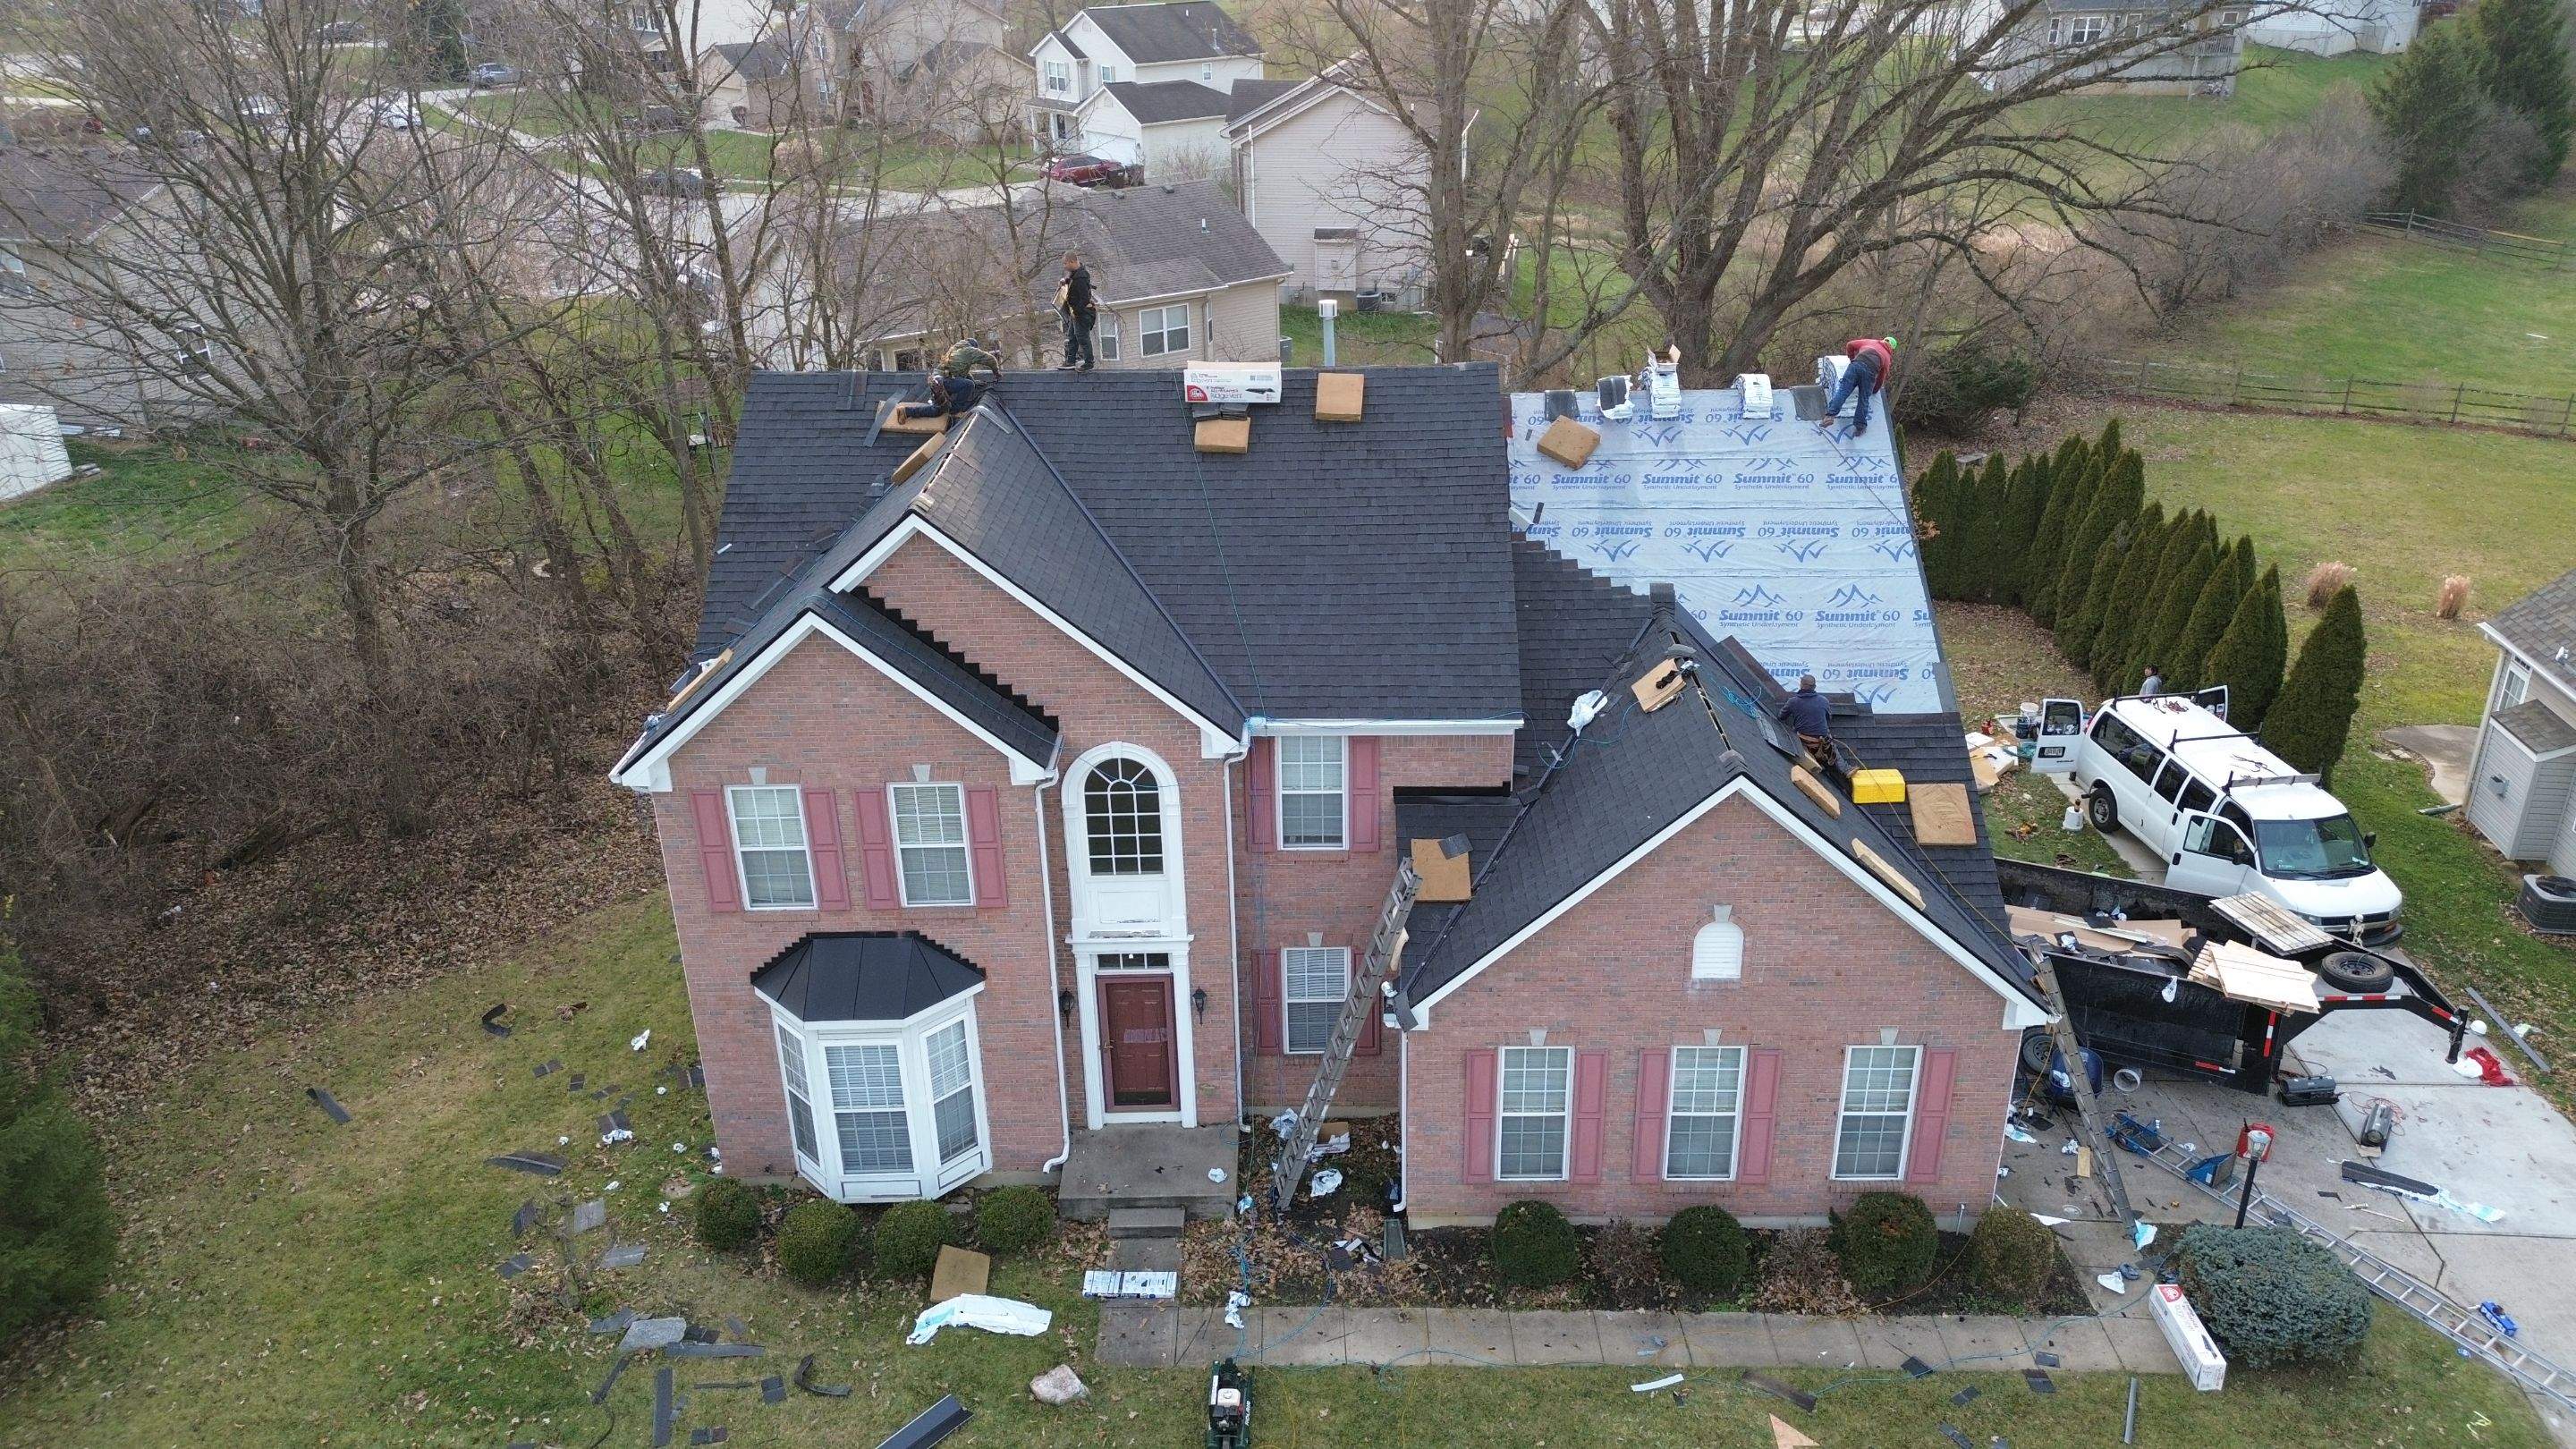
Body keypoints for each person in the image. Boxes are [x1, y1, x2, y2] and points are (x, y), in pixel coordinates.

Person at [1819, 336, 1895, 439]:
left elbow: (1850, 344)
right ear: (1892, 349)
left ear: (1884, 340)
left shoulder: (1871, 342)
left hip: (1856, 365)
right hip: (1870, 372)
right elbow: (1881, 378)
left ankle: (1829, 416)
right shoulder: (1887, 357)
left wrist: (1852, 359)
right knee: (1863, 399)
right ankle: (1860, 427)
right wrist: (1875, 390)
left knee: (1843, 391)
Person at [1777, 674, 1835, 769]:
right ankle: (1844, 769)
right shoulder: (1824, 700)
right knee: (1832, 746)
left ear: (1801, 685)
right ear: (1814, 687)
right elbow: (1828, 718)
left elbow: (1781, 717)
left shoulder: (1793, 701)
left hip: (1803, 740)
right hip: (1822, 741)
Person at [1055, 252, 1097, 372]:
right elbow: (1071, 280)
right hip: (1075, 313)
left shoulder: (1082, 278)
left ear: (1072, 262)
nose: (1064, 266)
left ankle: (1089, 363)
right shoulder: (1076, 273)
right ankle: (1070, 361)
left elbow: (1085, 299)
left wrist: (1076, 312)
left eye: (1065, 263)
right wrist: (1065, 281)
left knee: (1082, 338)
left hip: (1082, 313)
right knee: (1072, 337)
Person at [898, 370, 986, 423]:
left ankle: (907, 411)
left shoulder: (959, 356)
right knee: (938, 410)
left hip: (940, 382)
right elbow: (989, 360)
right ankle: (906, 411)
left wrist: (974, 382)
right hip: (940, 384)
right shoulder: (968, 353)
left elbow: (966, 374)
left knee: (938, 410)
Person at [937, 336, 1003, 382]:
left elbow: (962, 373)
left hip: (940, 378)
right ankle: (961, 399)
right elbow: (991, 359)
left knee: (969, 381)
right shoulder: (970, 350)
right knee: (969, 385)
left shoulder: (954, 349)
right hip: (947, 379)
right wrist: (996, 373)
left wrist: (974, 382)